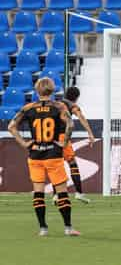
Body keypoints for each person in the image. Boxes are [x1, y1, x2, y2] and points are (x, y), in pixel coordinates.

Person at [8, 78, 80, 236]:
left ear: (36, 90)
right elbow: (71, 124)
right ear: (52, 90)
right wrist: (64, 142)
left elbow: (11, 126)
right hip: (53, 154)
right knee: (62, 192)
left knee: (38, 192)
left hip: (35, 155)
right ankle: (68, 228)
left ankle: (43, 229)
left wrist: (23, 143)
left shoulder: (28, 108)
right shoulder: (59, 106)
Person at [53, 86, 95, 204]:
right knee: (72, 163)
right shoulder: (71, 105)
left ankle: (56, 195)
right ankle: (79, 193)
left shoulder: (56, 103)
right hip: (62, 137)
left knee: (55, 165)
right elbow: (80, 116)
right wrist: (90, 133)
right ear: (76, 98)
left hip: (51, 138)